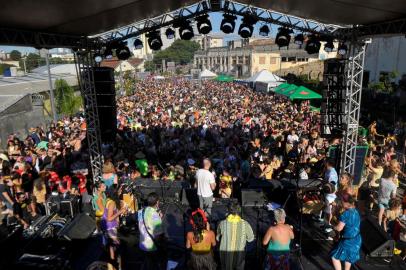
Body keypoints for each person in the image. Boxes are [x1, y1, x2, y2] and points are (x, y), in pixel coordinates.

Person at [216, 201, 254, 270]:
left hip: (226, 257)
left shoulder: (222, 223)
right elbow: (251, 239)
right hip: (239, 257)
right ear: (239, 211)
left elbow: (218, 238)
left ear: (228, 210)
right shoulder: (245, 224)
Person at [330, 193, 361, 270]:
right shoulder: (355, 210)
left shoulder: (345, 214)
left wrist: (333, 227)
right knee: (348, 258)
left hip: (348, 241)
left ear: (344, 202)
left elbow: (339, 228)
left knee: (334, 257)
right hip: (357, 239)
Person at [138, 192, 166, 270]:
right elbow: (159, 234)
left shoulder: (141, 211)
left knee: (145, 262)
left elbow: (146, 220)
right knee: (152, 265)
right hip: (151, 246)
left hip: (142, 243)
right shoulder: (156, 216)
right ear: (157, 202)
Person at [101, 189, 127, 269]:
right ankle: (115, 267)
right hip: (110, 228)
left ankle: (111, 267)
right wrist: (120, 211)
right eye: (118, 191)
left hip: (108, 227)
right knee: (116, 249)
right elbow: (109, 218)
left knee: (111, 249)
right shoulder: (112, 203)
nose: (120, 192)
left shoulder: (109, 200)